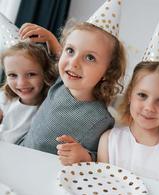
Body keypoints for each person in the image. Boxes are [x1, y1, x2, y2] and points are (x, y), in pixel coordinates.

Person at [18, 18, 126, 162]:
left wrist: (85, 156)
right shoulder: (61, 82)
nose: (74, 62)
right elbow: (59, 58)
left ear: (108, 71)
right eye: (70, 50)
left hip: (46, 171)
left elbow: (99, 158)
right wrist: (49, 38)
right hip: (20, 150)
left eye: (90, 58)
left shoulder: (100, 119)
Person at [96, 61, 159, 186]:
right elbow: (100, 187)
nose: (149, 107)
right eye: (142, 95)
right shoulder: (109, 140)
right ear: (130, 95)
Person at [0, 42, 57, 143]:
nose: (21, 83)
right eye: (13, 75)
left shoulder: (48, 106)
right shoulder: (5, 98)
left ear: (45, 74)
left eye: (31, 74)